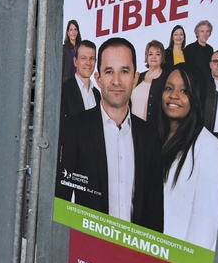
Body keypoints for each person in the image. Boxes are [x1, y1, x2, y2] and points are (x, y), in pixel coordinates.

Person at [57, 37, 164, 232]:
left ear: (135, 78)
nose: (116, 81)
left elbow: (155, 210)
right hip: (88, 252)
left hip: (134, 254)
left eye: (124, 71)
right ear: (98, 79)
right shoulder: (75, 128)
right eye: (109, 72)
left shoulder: (150, 137)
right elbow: (61, 199)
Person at [159, 64, 218, 250]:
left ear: (196, 97)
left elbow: (205, 228)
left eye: (184, 91)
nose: (174, 95)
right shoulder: (154, 139)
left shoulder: (211, 150)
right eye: (169, 88)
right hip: (149, 252)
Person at [131, 40, 168, 128]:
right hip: (134, 129)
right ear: (146, 57)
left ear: (162, 57)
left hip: (154, 130)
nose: (153, 57)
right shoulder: (138, 77)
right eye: (150, 54)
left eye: (157, 54)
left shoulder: (167, 78)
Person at [60, 40, 100, 118]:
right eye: (83, 58)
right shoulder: (64, 90)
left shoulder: (97, 94)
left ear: (95, 62)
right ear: (75, 61)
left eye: (91, 58)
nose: (88, 63)